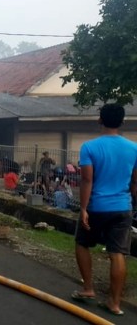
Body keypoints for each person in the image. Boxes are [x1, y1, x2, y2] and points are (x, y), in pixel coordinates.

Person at [71, 103, 137, 316]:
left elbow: (87, 179)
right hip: (123, 208)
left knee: (82, 243)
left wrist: (83, 209)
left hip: (97, 206)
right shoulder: (134, 148)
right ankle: (114, 303)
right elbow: (135, 182)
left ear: (100, 119)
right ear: (122, 122)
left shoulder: (89, 147)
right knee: (117, 254)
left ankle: (88, 288)